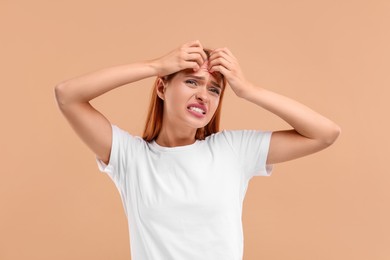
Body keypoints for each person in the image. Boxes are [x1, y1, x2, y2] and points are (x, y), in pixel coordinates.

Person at [54, 40, 341, 260]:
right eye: (192, 81)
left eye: (215, 89)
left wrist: (248, 90)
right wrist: (156, 65)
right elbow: (67, 96)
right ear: (162, 88)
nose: (204, 95)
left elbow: (325, 133)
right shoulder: (131, 158)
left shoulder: (232, 150)